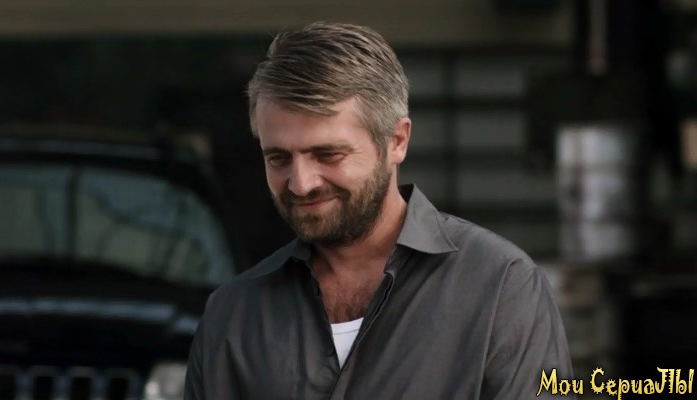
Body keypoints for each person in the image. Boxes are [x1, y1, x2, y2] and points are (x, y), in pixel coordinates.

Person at [185, 22, 573, 399]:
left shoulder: (499, 287)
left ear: (397, 141)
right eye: (278, 158)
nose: (301, 183)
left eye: (328, 154)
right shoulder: (233, 316)